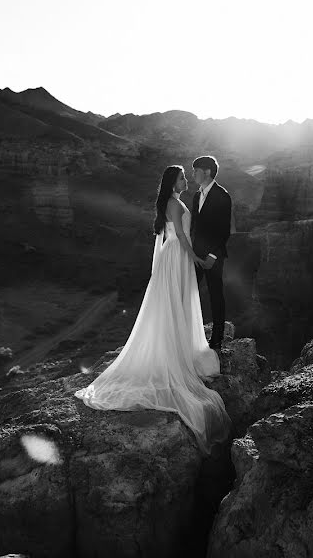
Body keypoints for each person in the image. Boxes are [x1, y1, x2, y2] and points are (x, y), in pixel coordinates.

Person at [74, 165, 231, 455]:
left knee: (178, 304)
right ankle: (173, 356)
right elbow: (182, 238)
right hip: (178, 257)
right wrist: (195, 258)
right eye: (183, 177)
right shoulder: (174, 203)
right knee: (174, 303)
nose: (187, 180)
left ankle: (180, 348)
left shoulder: (177, 201)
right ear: (174, 181)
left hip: (178, 258)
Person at [190, 155, 232, 350]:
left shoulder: (222, 195)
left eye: (195, 171)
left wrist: (212, 257)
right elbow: (194, 228)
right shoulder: (197, 195)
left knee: (216, 294)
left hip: (213, 257)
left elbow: (223, 231)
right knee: (188, 293)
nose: (192, 175)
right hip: (196, 255)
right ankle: (188, 335)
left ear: (207, 172)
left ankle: (216, 339)